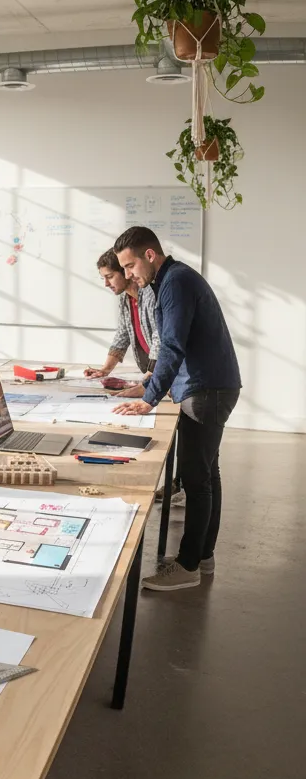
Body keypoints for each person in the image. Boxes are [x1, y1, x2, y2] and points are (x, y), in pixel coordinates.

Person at [112, 227, 241, 592]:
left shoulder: (176, 282)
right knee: (206, 474)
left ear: (149, 255)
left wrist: (149, 397)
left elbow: (171, 344)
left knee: (196, 479)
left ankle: (187, 567)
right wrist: (156, 387)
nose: (129, 275)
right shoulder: (172, 280)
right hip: (210, 386)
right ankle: (202, 556)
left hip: (206, 390)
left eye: (131, 265)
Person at [85, 248, 159, 397]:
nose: (106, 283)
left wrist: (150, 380)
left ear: (125, 272)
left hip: (167, 373)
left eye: (110, 276)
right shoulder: (125, 298)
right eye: (103, 278)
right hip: (153, 374)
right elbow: (123, 334)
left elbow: (161, 338)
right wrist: (105, 370)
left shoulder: (151, 293)